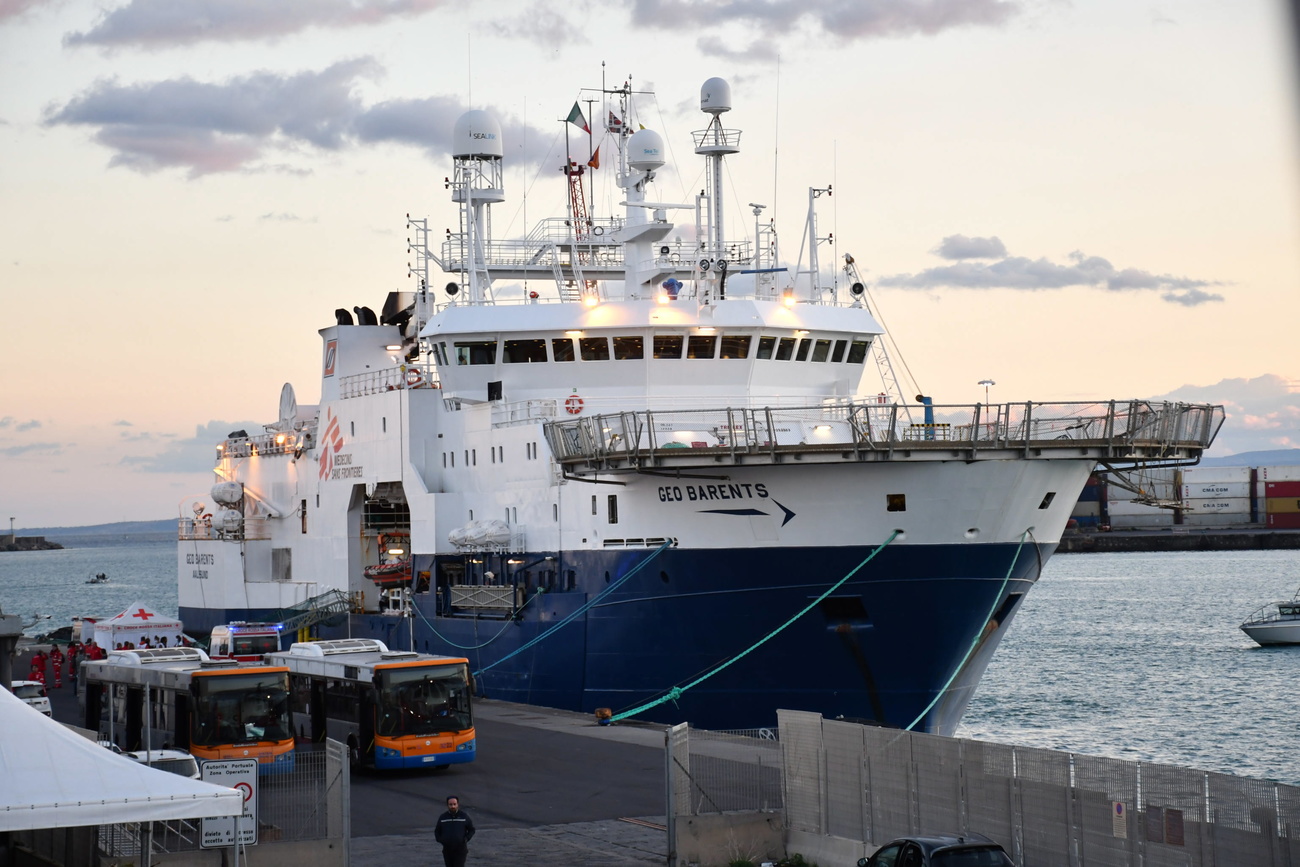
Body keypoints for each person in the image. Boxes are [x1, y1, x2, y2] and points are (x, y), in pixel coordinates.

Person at [433, 795, 475, 867]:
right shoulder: (443, 817)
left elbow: (471, 829)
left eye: (454, 804)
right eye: (451, 804)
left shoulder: (464, 816)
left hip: (460, 849)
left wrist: (466, 838)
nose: (453, 806)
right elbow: (437, 831)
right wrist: (441, 840)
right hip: (447, 849)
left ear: (457, 804)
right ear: (447, 805)